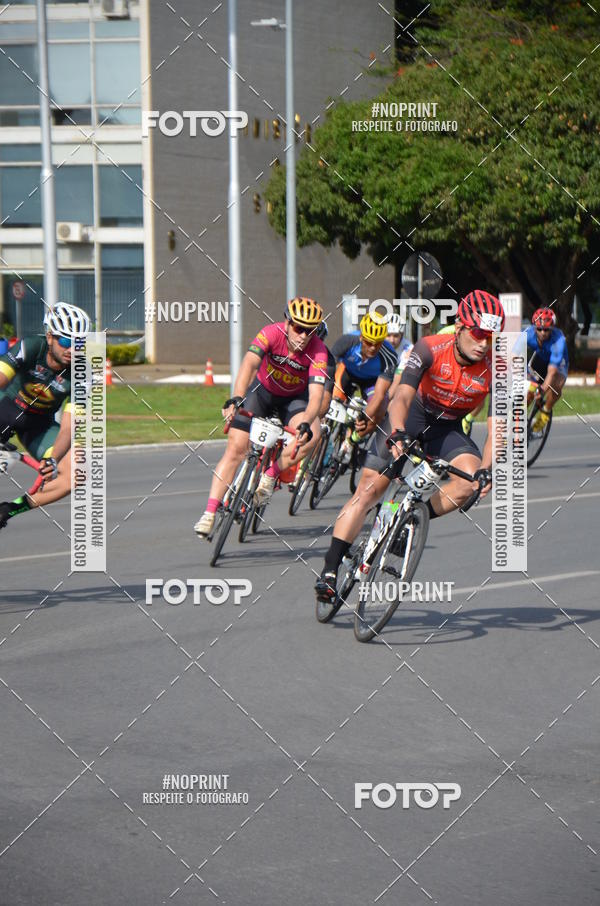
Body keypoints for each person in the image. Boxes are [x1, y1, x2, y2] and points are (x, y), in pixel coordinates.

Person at [315, 290, 505, 601]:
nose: (484, 343)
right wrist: (399, 432)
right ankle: (330, 568)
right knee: (369, 490)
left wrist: (486, 468)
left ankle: (410, 521)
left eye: (492, 336)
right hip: (410, 418)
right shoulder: (430, 347)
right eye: (478, 333)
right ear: (460, 327)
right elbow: (401, 396)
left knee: (470, 482)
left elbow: (498, 426)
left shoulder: (498, 368)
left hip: (446, 429)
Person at [194, 297, 329, 538]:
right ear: (287, 322)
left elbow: (316, 396)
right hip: (262, 393)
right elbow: (249, 364)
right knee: (236, 449)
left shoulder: (318, 351)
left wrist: (307, 423)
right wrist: (236, 398)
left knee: (314, 435)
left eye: (310, 331)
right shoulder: (270, 333)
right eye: (298, 328)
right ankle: (209, 513)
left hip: (294, 401)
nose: (303, 336)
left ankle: (270, 474)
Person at [0, 302, 91, 529]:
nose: (73, 349)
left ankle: (9, 509)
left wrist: (53, 460)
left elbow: (69, 427)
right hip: (6, 408)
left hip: (37, 425)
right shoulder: (31, 346)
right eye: (66, 341)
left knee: (78, 471)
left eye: (79, 343)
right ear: (50, 337)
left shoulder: (83, 373)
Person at [525, 307, 569, 432]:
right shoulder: (528, 333)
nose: (543, 332)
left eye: (546, 329)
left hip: (558, 365)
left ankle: (546, 411)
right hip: (540, 360)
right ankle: (518, 416)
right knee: (528, 390)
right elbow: (513, 355)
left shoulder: (558, 340)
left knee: (555, 387)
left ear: (552, 328)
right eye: (539, 329)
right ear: (534, 328)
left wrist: (542, 390)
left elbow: (552, 372)